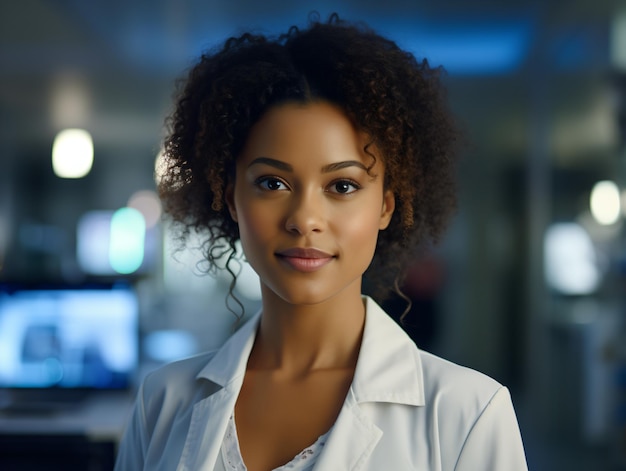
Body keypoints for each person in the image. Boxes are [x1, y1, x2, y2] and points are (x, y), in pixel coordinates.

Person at [114, 13, 528, 471]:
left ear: (387, 206)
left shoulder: (468, 414)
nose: (305, 220)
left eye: (343, 186)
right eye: (272, 183)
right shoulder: (161, 400)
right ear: (230, 199)